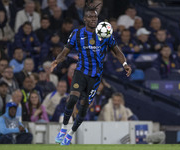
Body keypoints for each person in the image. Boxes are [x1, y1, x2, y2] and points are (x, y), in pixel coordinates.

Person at [50, 3, 132, 145]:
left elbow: (117, 51)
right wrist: (56, 61)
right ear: (84, 19)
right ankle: (63, 128)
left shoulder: (105, 33)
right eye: (90, 16)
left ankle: (71, 133)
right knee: (73, 99)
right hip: (81, 72)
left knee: (84, 106)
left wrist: (124, 64)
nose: (93, 19)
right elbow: (65, 51)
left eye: (95, 16)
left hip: (95, 78)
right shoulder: (77, 33)